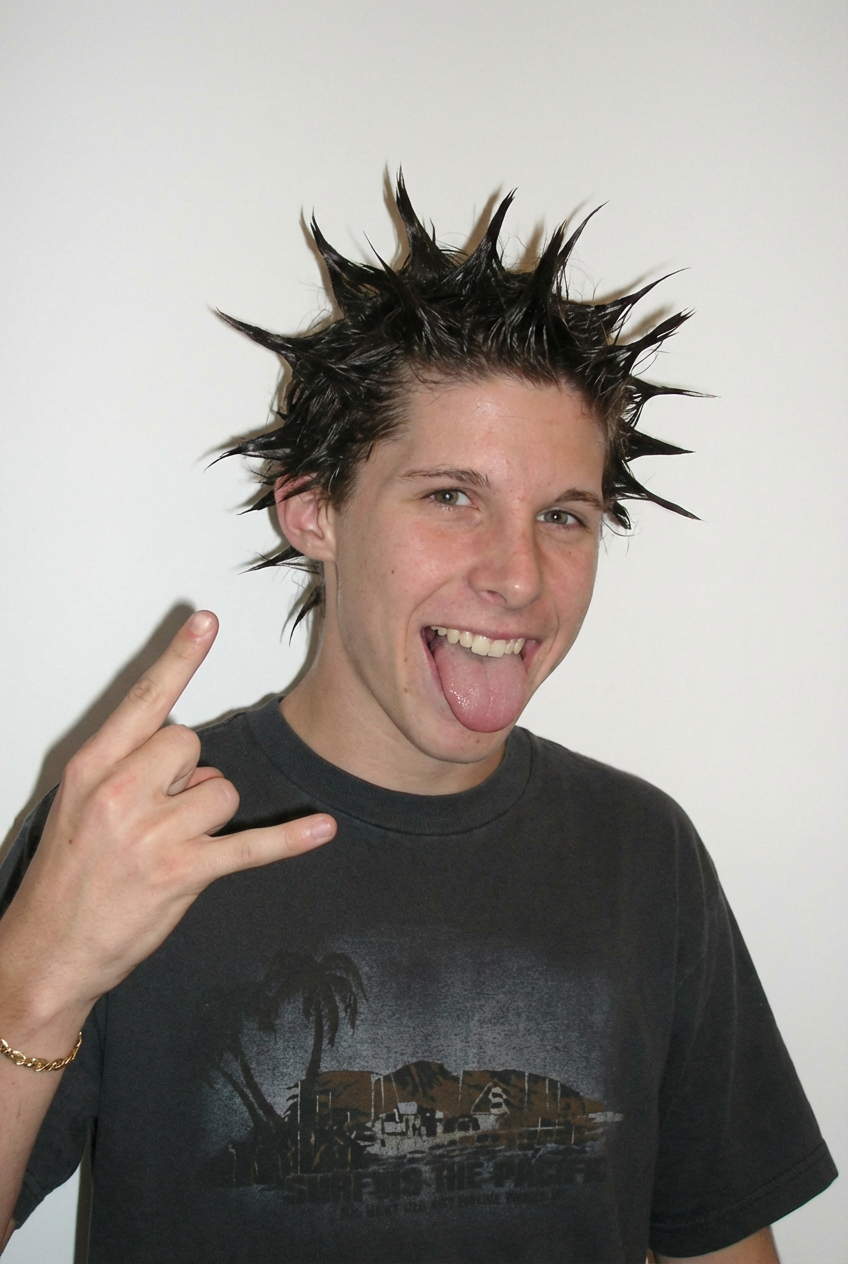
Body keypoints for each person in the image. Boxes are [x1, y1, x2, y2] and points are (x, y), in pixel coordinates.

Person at [0, 178, 836, 1264]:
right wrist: (36, 980)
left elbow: (718, 1246)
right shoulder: (129, 831)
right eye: (450, 495)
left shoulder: (642, 850)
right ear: (314, 511)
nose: (517, 576)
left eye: (562, 516)